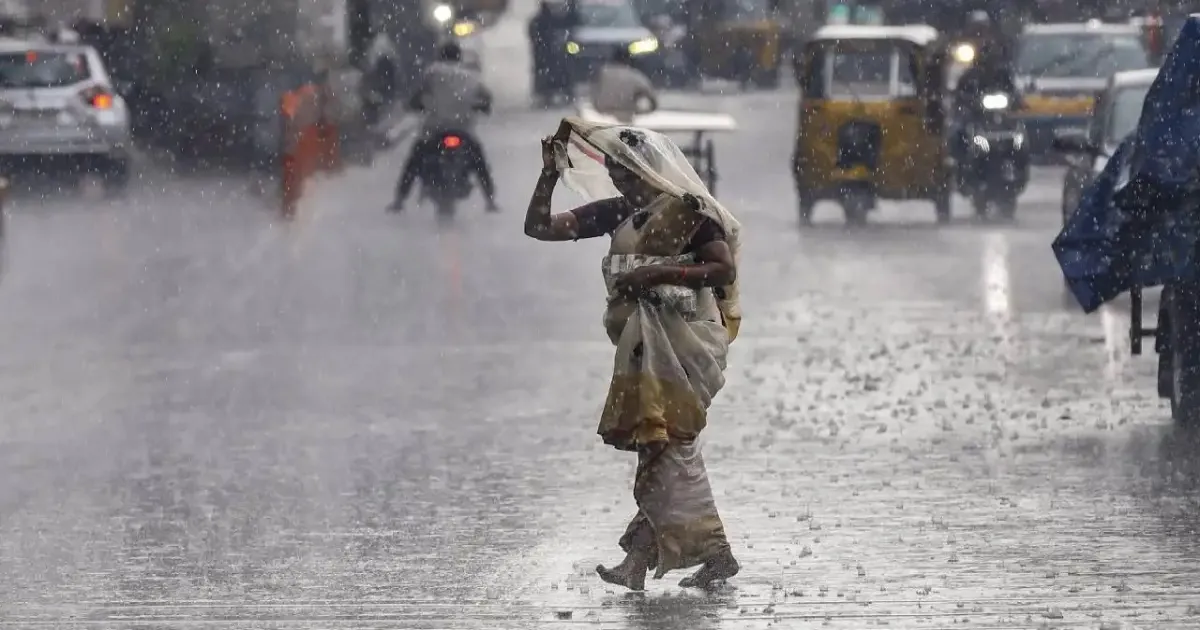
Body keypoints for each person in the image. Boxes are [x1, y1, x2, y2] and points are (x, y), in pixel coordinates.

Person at [523, 118, 742, 591]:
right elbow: (539, 227)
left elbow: (721, 269)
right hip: (641, 347)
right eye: (617, 173)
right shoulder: (615, 213)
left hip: (686, 347)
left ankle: (643, 560)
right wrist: (549, 175)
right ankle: (705, 555)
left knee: (663, 446)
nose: (624, 181)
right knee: (665, 447)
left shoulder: (689, 212)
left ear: (652, 169)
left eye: (631, 172)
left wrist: (660, 273)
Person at [389, 41, 498, 212]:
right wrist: (482, 107)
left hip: (435, 129)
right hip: (463, 130)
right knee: (479, 160)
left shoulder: (432, 72)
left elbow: (418, 96)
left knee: (415, 159)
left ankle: (400, 200)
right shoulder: (470, 75)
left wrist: (414, 105)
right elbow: (485, 98)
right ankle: (490, 200)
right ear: (459, 57)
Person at [590, 48, 657, 123]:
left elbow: (591, 91)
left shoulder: (602, 73)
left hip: (600, 116)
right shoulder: (636, 76)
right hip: (626, 114)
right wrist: (641, 111)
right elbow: (652, 100)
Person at [529, 0, 576, 99]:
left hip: (560, 55)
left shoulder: (569, 20)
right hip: (546, 55)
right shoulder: (540, 22)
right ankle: (546, 93)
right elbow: (535, 38)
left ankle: (564, 90)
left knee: (566, 67)